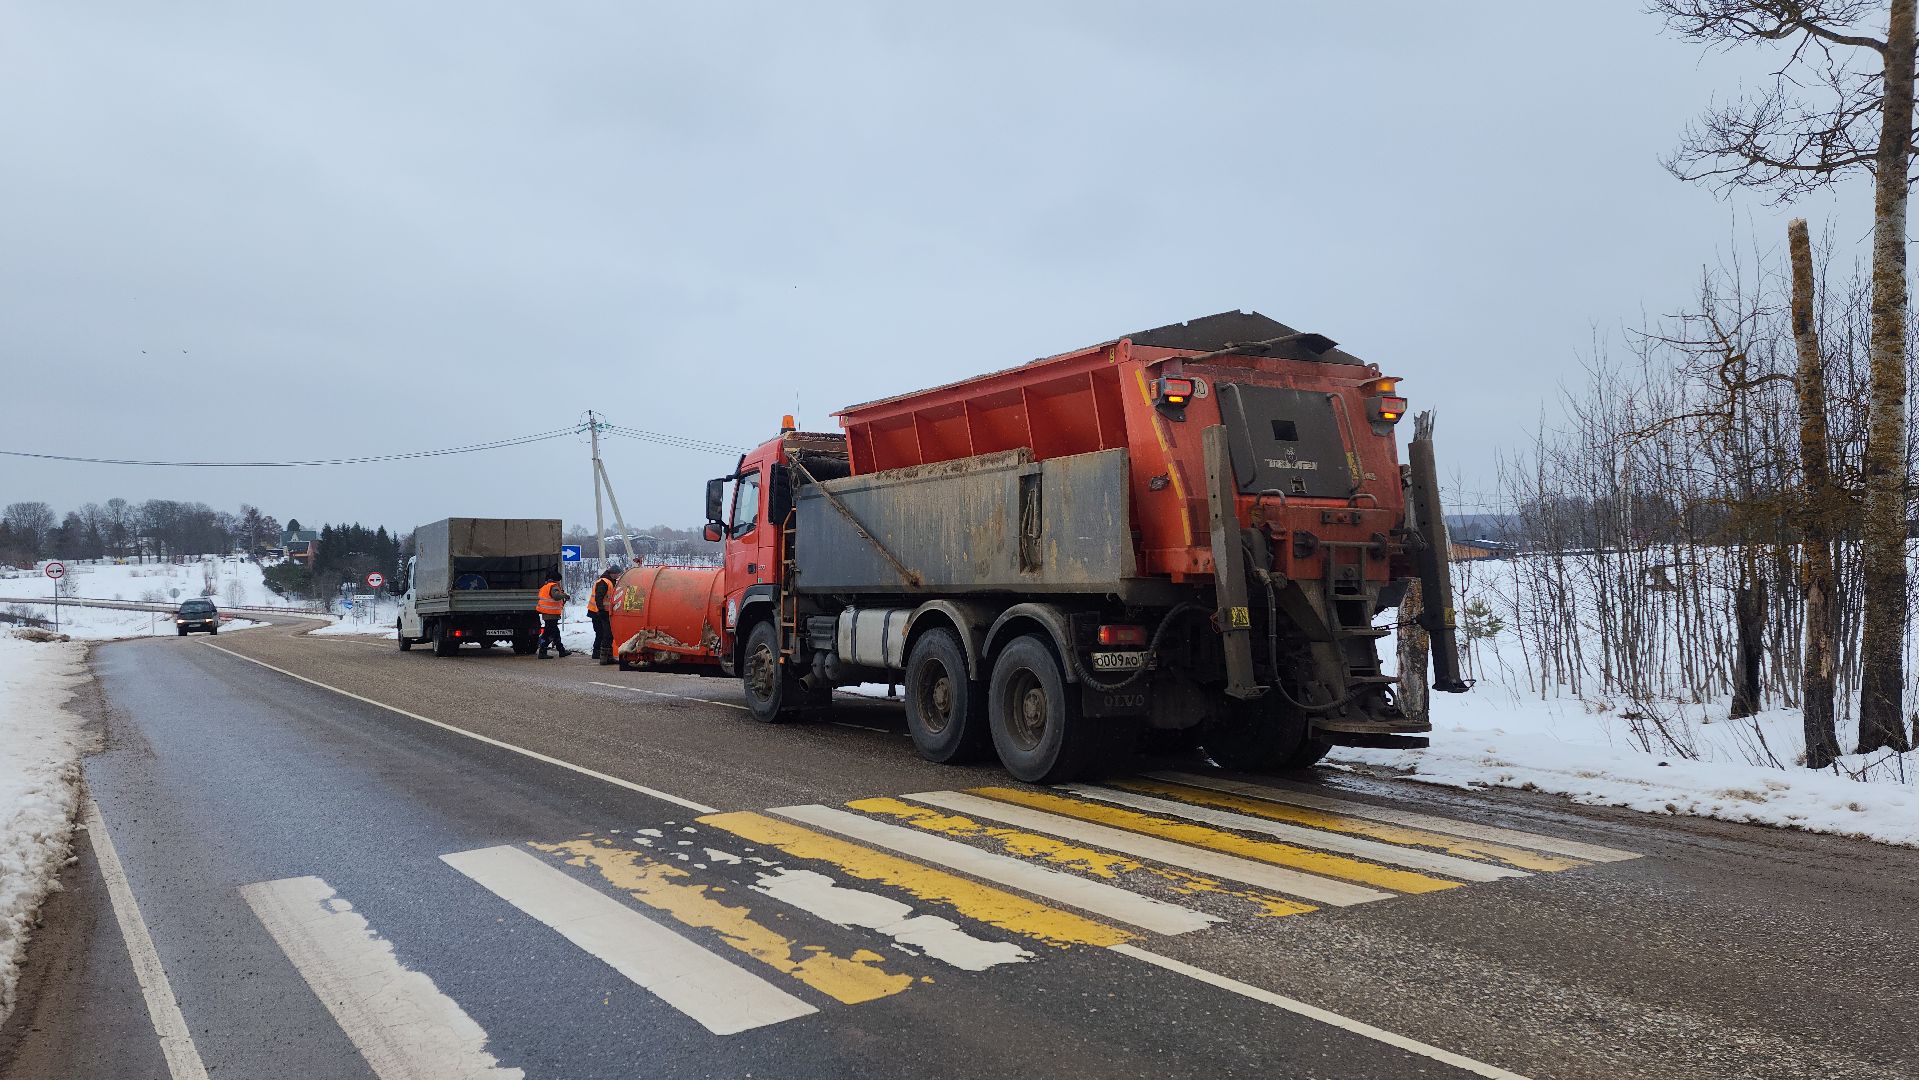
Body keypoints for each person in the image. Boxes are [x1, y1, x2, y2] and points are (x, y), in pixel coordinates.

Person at [588, 564, 621, 665]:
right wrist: (601, 610)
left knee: (605, 634)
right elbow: (599, 597)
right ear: (612, 573)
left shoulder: (609, 581)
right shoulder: (604, 582)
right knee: (605, 634)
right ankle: (603, 657)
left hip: (602, 612)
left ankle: (605, 656)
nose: (618, 576)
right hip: (598, 612)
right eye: (617, 574)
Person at [536, 572, 569, 659]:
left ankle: (561, 650)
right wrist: (565, 595)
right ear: (557, 579)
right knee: (548, 633)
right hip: (551, 614)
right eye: (559, 580)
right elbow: (556, 596)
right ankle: (542, 651)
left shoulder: (545, 586)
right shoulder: (553, 586)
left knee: (555, 632)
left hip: (548, 614)